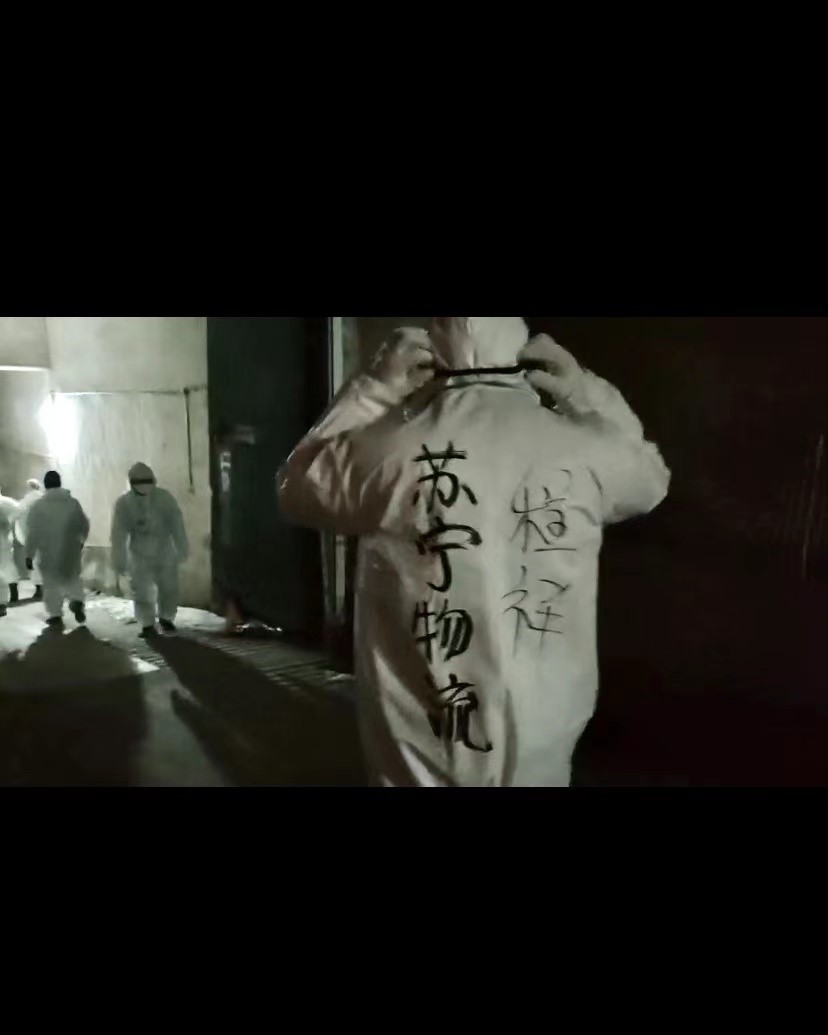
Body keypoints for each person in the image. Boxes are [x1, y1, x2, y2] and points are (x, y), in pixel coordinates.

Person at [278, 318, 671, 787]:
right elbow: (650, 478)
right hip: (542, 736)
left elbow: (297, 485)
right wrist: (585, 393)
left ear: (433, 351)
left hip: (422, 741)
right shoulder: (581, 449)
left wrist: (373, 391)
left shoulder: (386, 452)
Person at [111, 461, 189, 638]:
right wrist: (119, 558)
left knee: (168, 587)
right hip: (139, 552)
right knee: (141, 590)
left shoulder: (165, 498)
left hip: (164, 549)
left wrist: (182, 546)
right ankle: (147, 623)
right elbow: (118, 534)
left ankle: (166, 617)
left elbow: (177, 524)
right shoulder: (124, 503)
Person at [25, 470, 90, 627]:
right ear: (60, 483)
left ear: (45, 485)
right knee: (73, 578)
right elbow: (83, 524)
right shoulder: (73, 503)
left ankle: (55, 614)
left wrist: (29, 554)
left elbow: (33, 532)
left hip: (48, 552)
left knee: (51, 584)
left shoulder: (38, 506)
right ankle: (77, 600)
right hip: (71, 550)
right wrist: (82, 540)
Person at [14, 478, 45, 601]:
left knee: (35, 560)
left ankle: (39, 589)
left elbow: (18, 516)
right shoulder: (45, 499)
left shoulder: (25, 501)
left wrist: (22, 536)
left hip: (32, 534)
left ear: (29, 487)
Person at [0, 487, 21, 617]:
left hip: (3, 537)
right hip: (4, 538)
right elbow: (20, 511)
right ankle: (11, 591)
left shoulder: (5, 502)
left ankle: (2, 603)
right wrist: (9, 520)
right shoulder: (7, 502)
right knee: (7, 564)